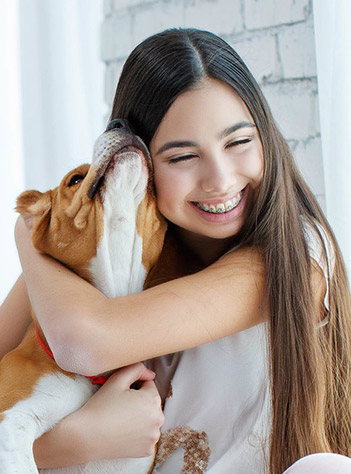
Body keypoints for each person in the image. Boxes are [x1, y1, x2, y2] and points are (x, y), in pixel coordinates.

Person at [3, 28, 351, 473]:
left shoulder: (297, 256)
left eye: (239, 142)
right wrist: (73, 443)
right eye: (183, 157)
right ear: (138, 160)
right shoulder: (114, 258)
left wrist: (29, 228)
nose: (221, 180)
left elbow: (83, 342)